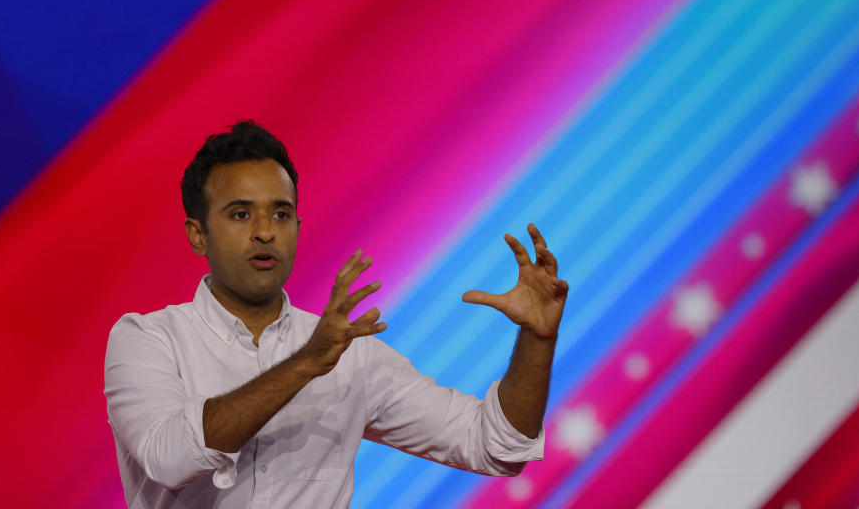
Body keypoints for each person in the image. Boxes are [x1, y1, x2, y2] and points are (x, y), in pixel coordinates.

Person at [104, 120, 569, 508]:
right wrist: (308, 363)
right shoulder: (148, 339)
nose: (266, 232)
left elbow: (495, 447)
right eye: (241, 215)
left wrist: (537, 341)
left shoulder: (348, 352)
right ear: (197, 234)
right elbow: (169, 459)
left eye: (281, 214)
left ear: (298, 228)